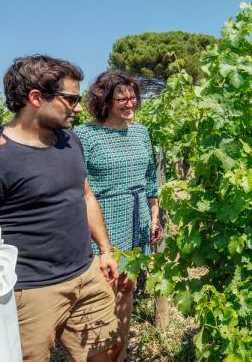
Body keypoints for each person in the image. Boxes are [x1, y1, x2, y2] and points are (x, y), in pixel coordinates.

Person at [0, 55, 122, 361]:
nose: (78, 108)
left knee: (106, 350)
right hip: (30, 291)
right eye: (71, 99)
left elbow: (85, 195)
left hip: (86, 274)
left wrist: (104, 250)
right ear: (36, 98)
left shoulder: (69, 140)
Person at [74, 71, 161, 362]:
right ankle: (100, 354)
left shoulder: (141, 132)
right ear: (104, 100)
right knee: (103, 292)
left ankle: (120, 352)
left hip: (137, 218)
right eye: (121, 97)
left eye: (133, 96)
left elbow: (150, 179)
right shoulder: (85, 135)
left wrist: (155, 214)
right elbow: (79, 187)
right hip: (104, 220)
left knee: (127, 286)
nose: (129, 102)